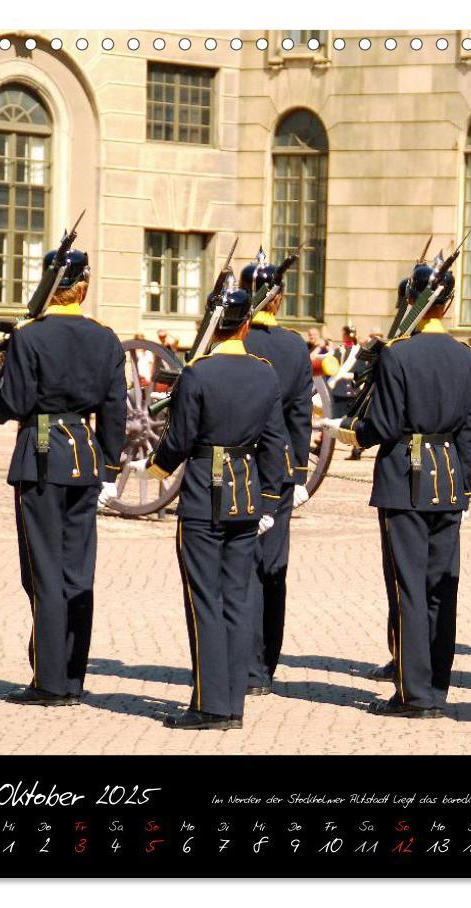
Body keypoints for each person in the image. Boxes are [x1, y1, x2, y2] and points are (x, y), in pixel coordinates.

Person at [0, 248, 126, 706]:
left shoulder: (32, 337)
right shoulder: (106, 337)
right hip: (86, 458)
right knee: (78, 571)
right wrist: (110, 470)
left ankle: (49, 682)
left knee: (44, 571)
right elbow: (115, 409)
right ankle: (73, 677)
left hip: (40, 456)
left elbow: (11, 401)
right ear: (83, 288)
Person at [334, 261, 471, 718]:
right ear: (449, 304)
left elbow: (385, 423)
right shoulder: (465, 357)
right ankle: (437, 683)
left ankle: (413, 692)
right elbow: (470, 430)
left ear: (411, 302)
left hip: (405, 474)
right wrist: (463, 482)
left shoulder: (399, 354)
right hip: (448, 474)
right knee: (441, 585)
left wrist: (353, 434)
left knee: (409, 587)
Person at [139, 287, 289, 730]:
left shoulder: (198, 374)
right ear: (246, 325)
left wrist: (154, 468)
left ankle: (210, 705)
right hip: (245, 496)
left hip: (204, 494)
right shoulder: (265, 374)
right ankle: (234, 704)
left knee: (205, 598)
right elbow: (276, 442)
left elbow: (180, 440)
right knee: (239, 599)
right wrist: (269, 500)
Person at [240, 253, 314, 696]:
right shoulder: (293, 347)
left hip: (237, 465)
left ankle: (244, 664)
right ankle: (267, 663)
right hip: (281, 470)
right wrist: (300, 472)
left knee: (241, 567)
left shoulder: (238, 341)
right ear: (279, 299)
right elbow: (301, 413)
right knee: (274, 567)